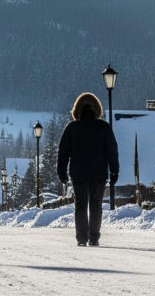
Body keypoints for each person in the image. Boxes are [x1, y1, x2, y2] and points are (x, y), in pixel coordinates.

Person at [57, 92, 119, 247]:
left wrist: (61, 172)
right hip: (99, 173)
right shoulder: (104, 127)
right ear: (97, 109)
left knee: (81, 205)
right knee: (96, 204)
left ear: (77, 109)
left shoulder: (72, 128)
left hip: (78, 174)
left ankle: (81, 238)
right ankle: (94, 237)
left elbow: (63, 152)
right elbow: (112, 150)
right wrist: (114, 170)